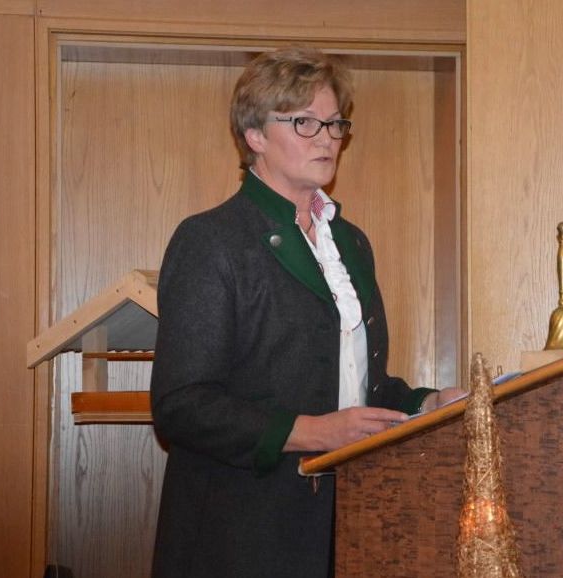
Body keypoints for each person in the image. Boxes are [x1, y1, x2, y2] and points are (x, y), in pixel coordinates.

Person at [150, 46, 465, 578]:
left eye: (335, 124)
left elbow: (356, 387)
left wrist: (427, 403)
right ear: (254, 135)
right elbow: (182, 405)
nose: (326, 138)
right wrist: (311, 432)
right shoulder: (211, 240)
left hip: (348, 520)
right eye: (305, 122)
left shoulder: (351, 244)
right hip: (240, 534)